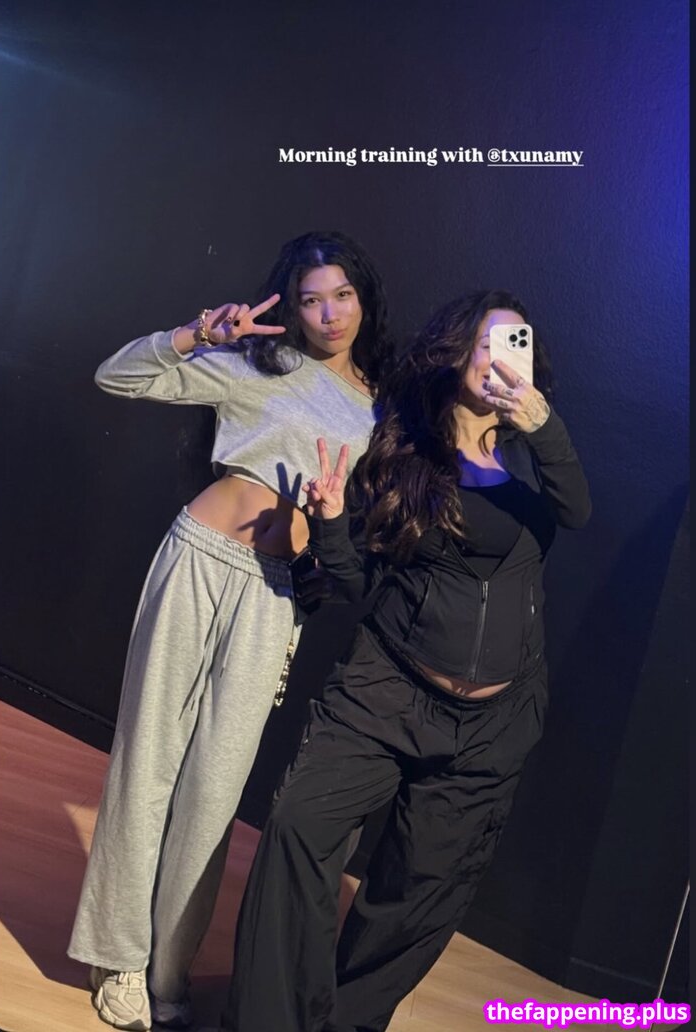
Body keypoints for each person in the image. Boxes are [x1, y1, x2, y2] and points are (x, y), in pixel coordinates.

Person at [224, 290, 591, 1032]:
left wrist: (541, 424)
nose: (500, 359)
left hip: (493, 726)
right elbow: (355, 584)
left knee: (419, 895)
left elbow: (577, 511)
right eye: (486, 343)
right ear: (456, 354)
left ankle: (346, 1022)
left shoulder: (532, 467)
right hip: (386, 692)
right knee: (297, 826)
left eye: (514, 344)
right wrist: (331, 524)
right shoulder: (402, 453)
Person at [67, 231, 393, 1031]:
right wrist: (193, 335)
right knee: (149, 759)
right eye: (311, 298)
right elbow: (117, 376)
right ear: (293, 305)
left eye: (342, 295)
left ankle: (168, 968)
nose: (329, 313)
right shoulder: (258, 364)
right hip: (198, 560)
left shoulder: (381, 409)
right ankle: (120, 958)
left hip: (274, 595)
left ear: (363, 299)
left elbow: (358, 536)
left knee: (214, 790)